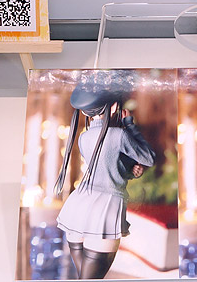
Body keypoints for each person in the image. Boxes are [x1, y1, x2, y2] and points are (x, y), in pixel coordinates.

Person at [54, 73, 156, 279]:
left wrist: (128, 171)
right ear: (114, 107)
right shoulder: (119, 135)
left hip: (78, 208)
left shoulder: (84, 138)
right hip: (104, 209)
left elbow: (103, 166)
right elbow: (148, 157)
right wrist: (130, 124)